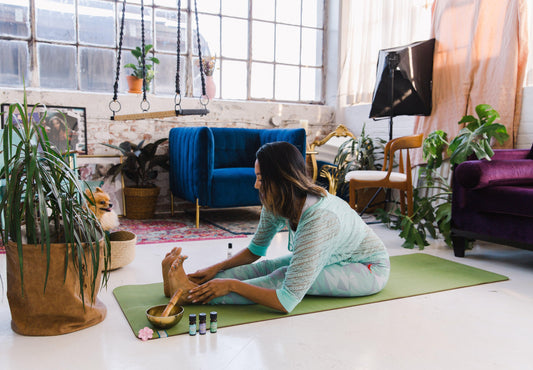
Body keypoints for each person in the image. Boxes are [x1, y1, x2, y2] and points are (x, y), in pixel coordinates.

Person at [162, 141, 390, 313]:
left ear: (282, 179)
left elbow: (286, 300)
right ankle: (189, 286)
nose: (255, 184)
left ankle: (187, 295)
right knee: (268, 266)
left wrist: (231, 285)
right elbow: (255, 252)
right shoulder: (278, 201)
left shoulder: (320, 219)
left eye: (261, 178)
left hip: (367, 268)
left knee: (282, 275)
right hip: (332, 257)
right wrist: (216, 268)